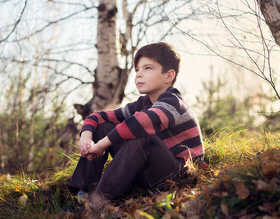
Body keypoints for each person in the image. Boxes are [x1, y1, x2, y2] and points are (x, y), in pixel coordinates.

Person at [69, 42, 205, 206]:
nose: (139, 74)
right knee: (103, 126)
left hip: (176, 175)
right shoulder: (142, 104)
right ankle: (80, 194)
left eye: (148, 68)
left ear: (169, 75)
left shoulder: (174, 102)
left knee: (143, 137)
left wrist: (102, 145)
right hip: (146, 172)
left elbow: (141, 123)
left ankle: (98, 201)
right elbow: (99, 116)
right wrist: (86, 136)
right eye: (137, 70)